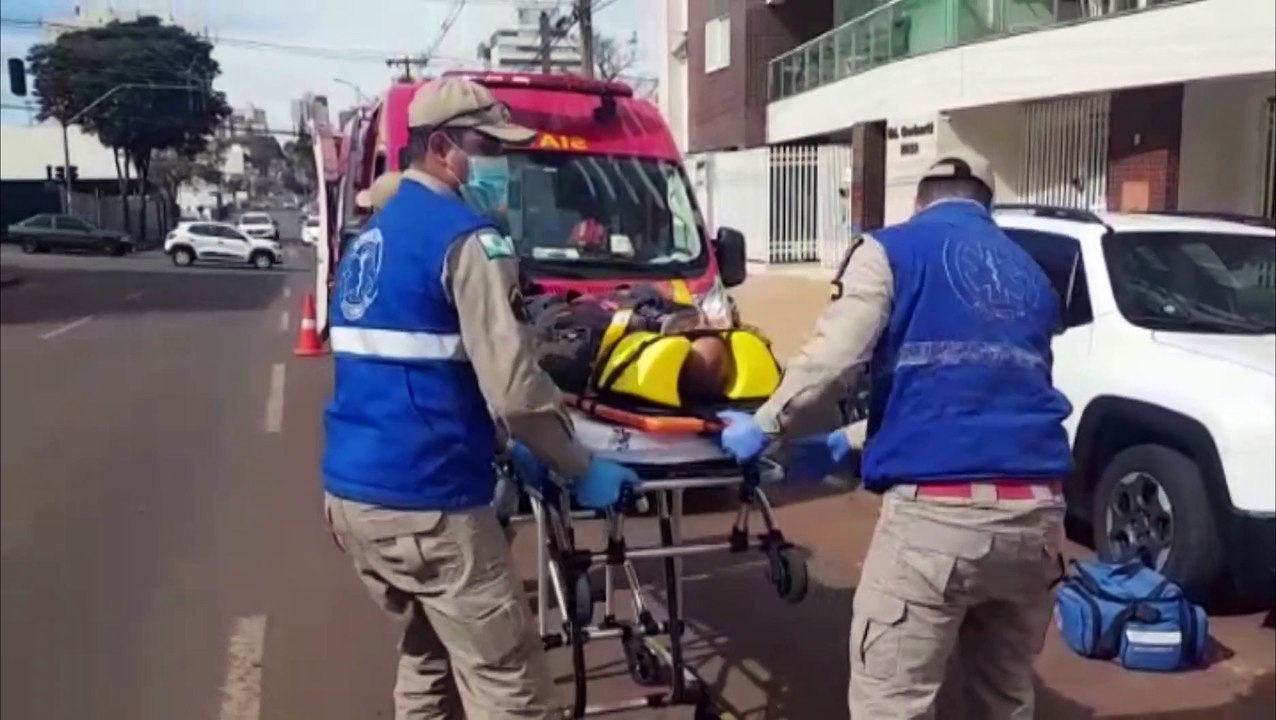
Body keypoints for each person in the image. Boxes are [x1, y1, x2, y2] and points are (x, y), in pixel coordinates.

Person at [322, 77, 640, 720]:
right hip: (429, 502)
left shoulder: (373, 240)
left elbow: (414, 366)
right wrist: (577, 465)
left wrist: (499, 445)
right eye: (486, 146)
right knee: (510, 686)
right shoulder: (467, 238)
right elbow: (515, 387)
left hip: (354, 497)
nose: (498, 163)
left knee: (428, 653)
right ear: (442, 148)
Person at [717, 151, 1073, 720]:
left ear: (918, 202)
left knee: (893, 702)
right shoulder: (1030, 273)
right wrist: (850, 440)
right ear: (987, 206)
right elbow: (983, 390)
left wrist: (764, 425)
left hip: (939, 519)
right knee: (1004, 699)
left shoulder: (891, 249)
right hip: (1037, 519)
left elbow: (834, 360)